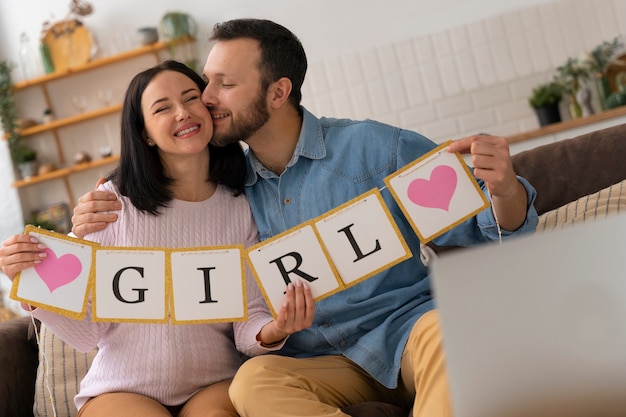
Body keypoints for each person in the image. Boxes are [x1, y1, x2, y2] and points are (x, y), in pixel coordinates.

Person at [68, 19, 538, 417]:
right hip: (322, 363)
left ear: (278, 92)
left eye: (224, 84)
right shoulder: (234, 193)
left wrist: (505, 189)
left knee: (447, 329)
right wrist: (89, 220)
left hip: (409, 335)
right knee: (252, 381)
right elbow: (167, 199)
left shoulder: (373, 149)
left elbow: (490, 234)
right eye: (207, 81)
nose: (206, 99)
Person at [0, 60, 314, 417]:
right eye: (162, 108)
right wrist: (27, 279)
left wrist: (273, 330)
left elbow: (247, 318)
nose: (183, 113)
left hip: (213, 383)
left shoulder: (242, 205)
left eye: (191, 98)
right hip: (121, 388)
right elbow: (87, 330)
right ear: (146, 133)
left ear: (209, 109)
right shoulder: (112, 203)